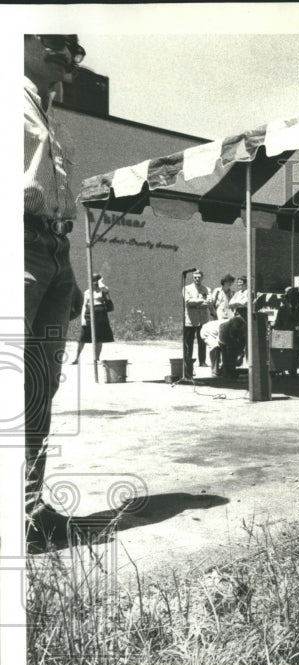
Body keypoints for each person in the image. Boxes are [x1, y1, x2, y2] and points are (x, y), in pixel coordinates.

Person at [23, 34, 88, 550]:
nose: (69, 54)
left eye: (76, 49)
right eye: (56, 41)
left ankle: (28, 507)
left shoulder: (50, 116)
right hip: (16, 241)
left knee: (40, 383)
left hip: (53, 248)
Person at [72, 274, 114, 364]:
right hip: (89, 314)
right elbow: (84, 305)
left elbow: (105, 289)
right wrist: (83, 318)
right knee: (82, 338)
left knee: (99, 338)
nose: (91, 285)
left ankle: (97, 358)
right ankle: (77, 358)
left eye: (93, 283)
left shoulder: (102, 290)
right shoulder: (87, 292)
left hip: (101, 315)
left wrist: (100, 282)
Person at [271, 286, 299, 375]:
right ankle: (277, 368)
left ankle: (293, 369)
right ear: (287, 299)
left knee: (296, 346)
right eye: (291, 297)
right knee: (273, 342)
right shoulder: (282, 309)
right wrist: (283, 330)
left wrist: (295, 328)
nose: (293, 300)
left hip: (298, 337)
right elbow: (277, 324)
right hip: (284, 336)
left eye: (295, 297)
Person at [183, 269, 212, 368]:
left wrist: (196, 303)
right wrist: (200, 301)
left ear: (202, 278)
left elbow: (208, 302)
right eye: (195, 277)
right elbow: (188, 302)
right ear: (193, 278)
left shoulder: (207, 289)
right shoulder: (186, 288)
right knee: (189, 342)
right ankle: (188, 361)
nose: (197, 279)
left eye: (199, 277)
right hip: (190, 320)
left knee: (202, 341)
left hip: (203, 319)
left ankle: (202, 361)